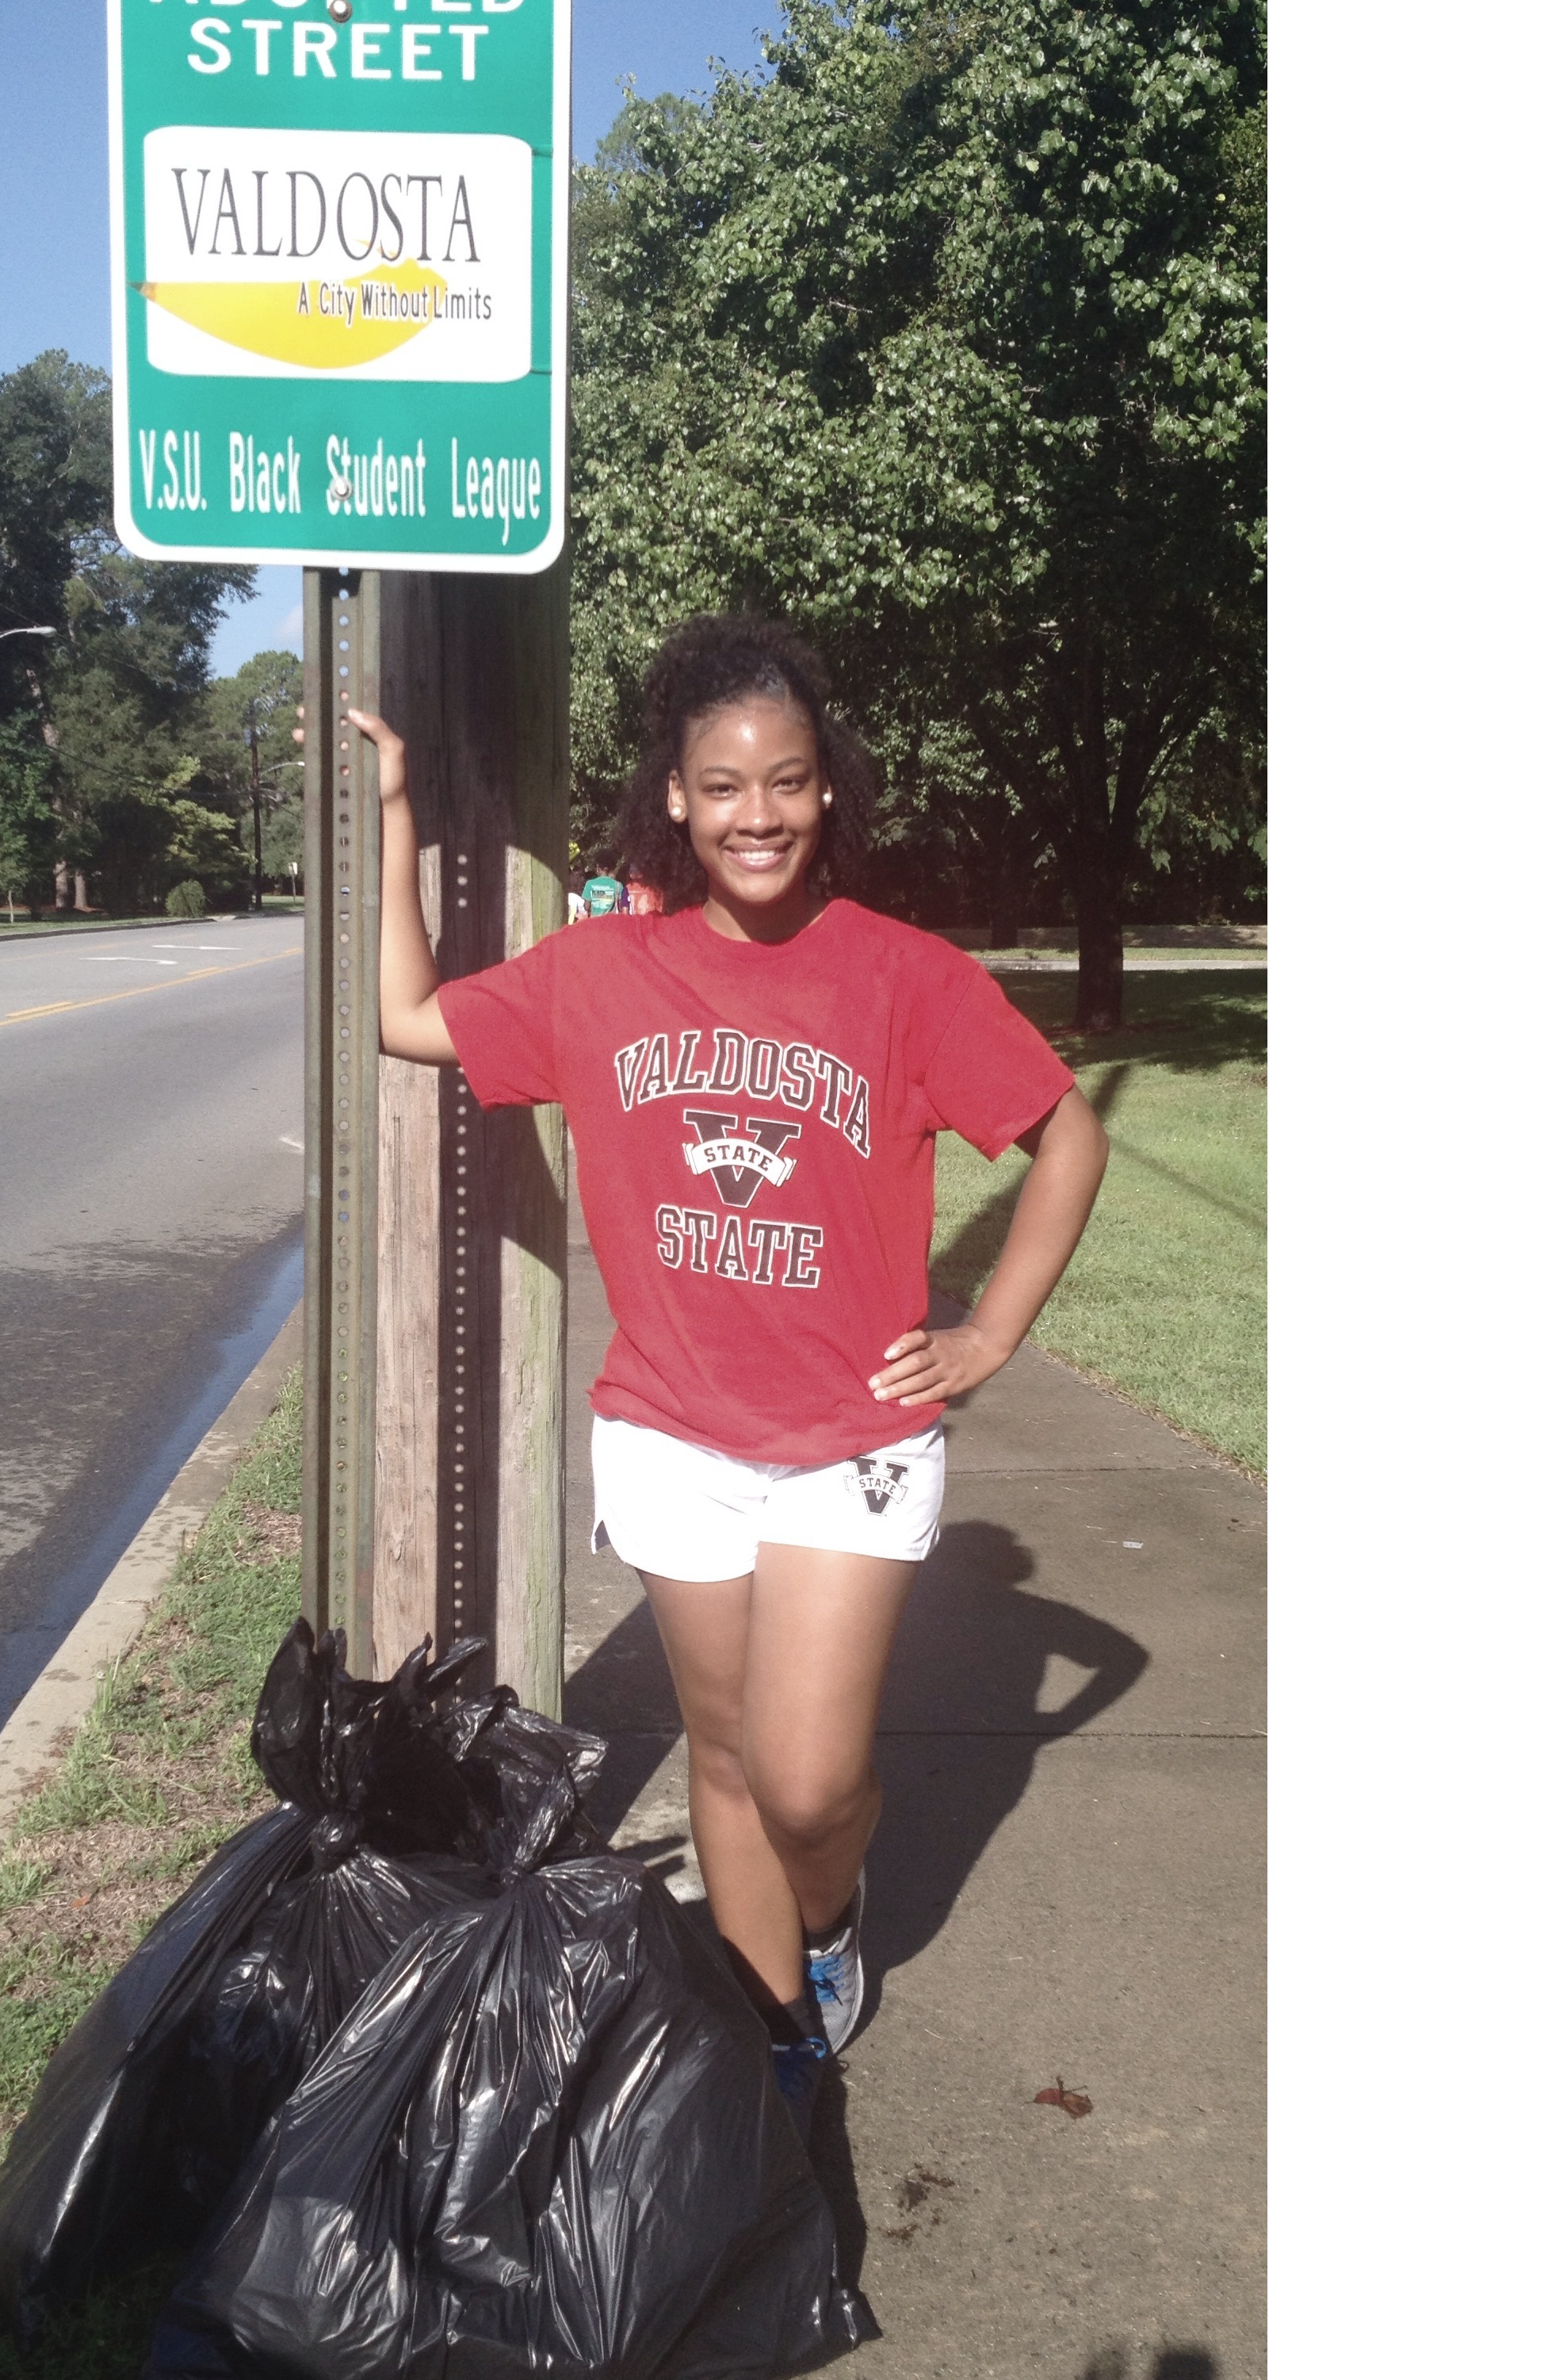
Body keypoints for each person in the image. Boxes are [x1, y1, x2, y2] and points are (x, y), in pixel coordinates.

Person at [350, 614, 1107, 2128]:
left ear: (827, 790)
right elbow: (408, 1020)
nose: (756, 814)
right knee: (725, 1754)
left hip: (848, 1436)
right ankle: (773, 2038)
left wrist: (988, 1333)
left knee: (807, 1780)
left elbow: (1064, 1134)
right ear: (675, 800)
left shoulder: (901, 978)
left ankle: (829, 1917)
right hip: (671, 1436)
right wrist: (395, 818)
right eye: (721, 786)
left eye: (786, 781)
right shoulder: (600, 972)